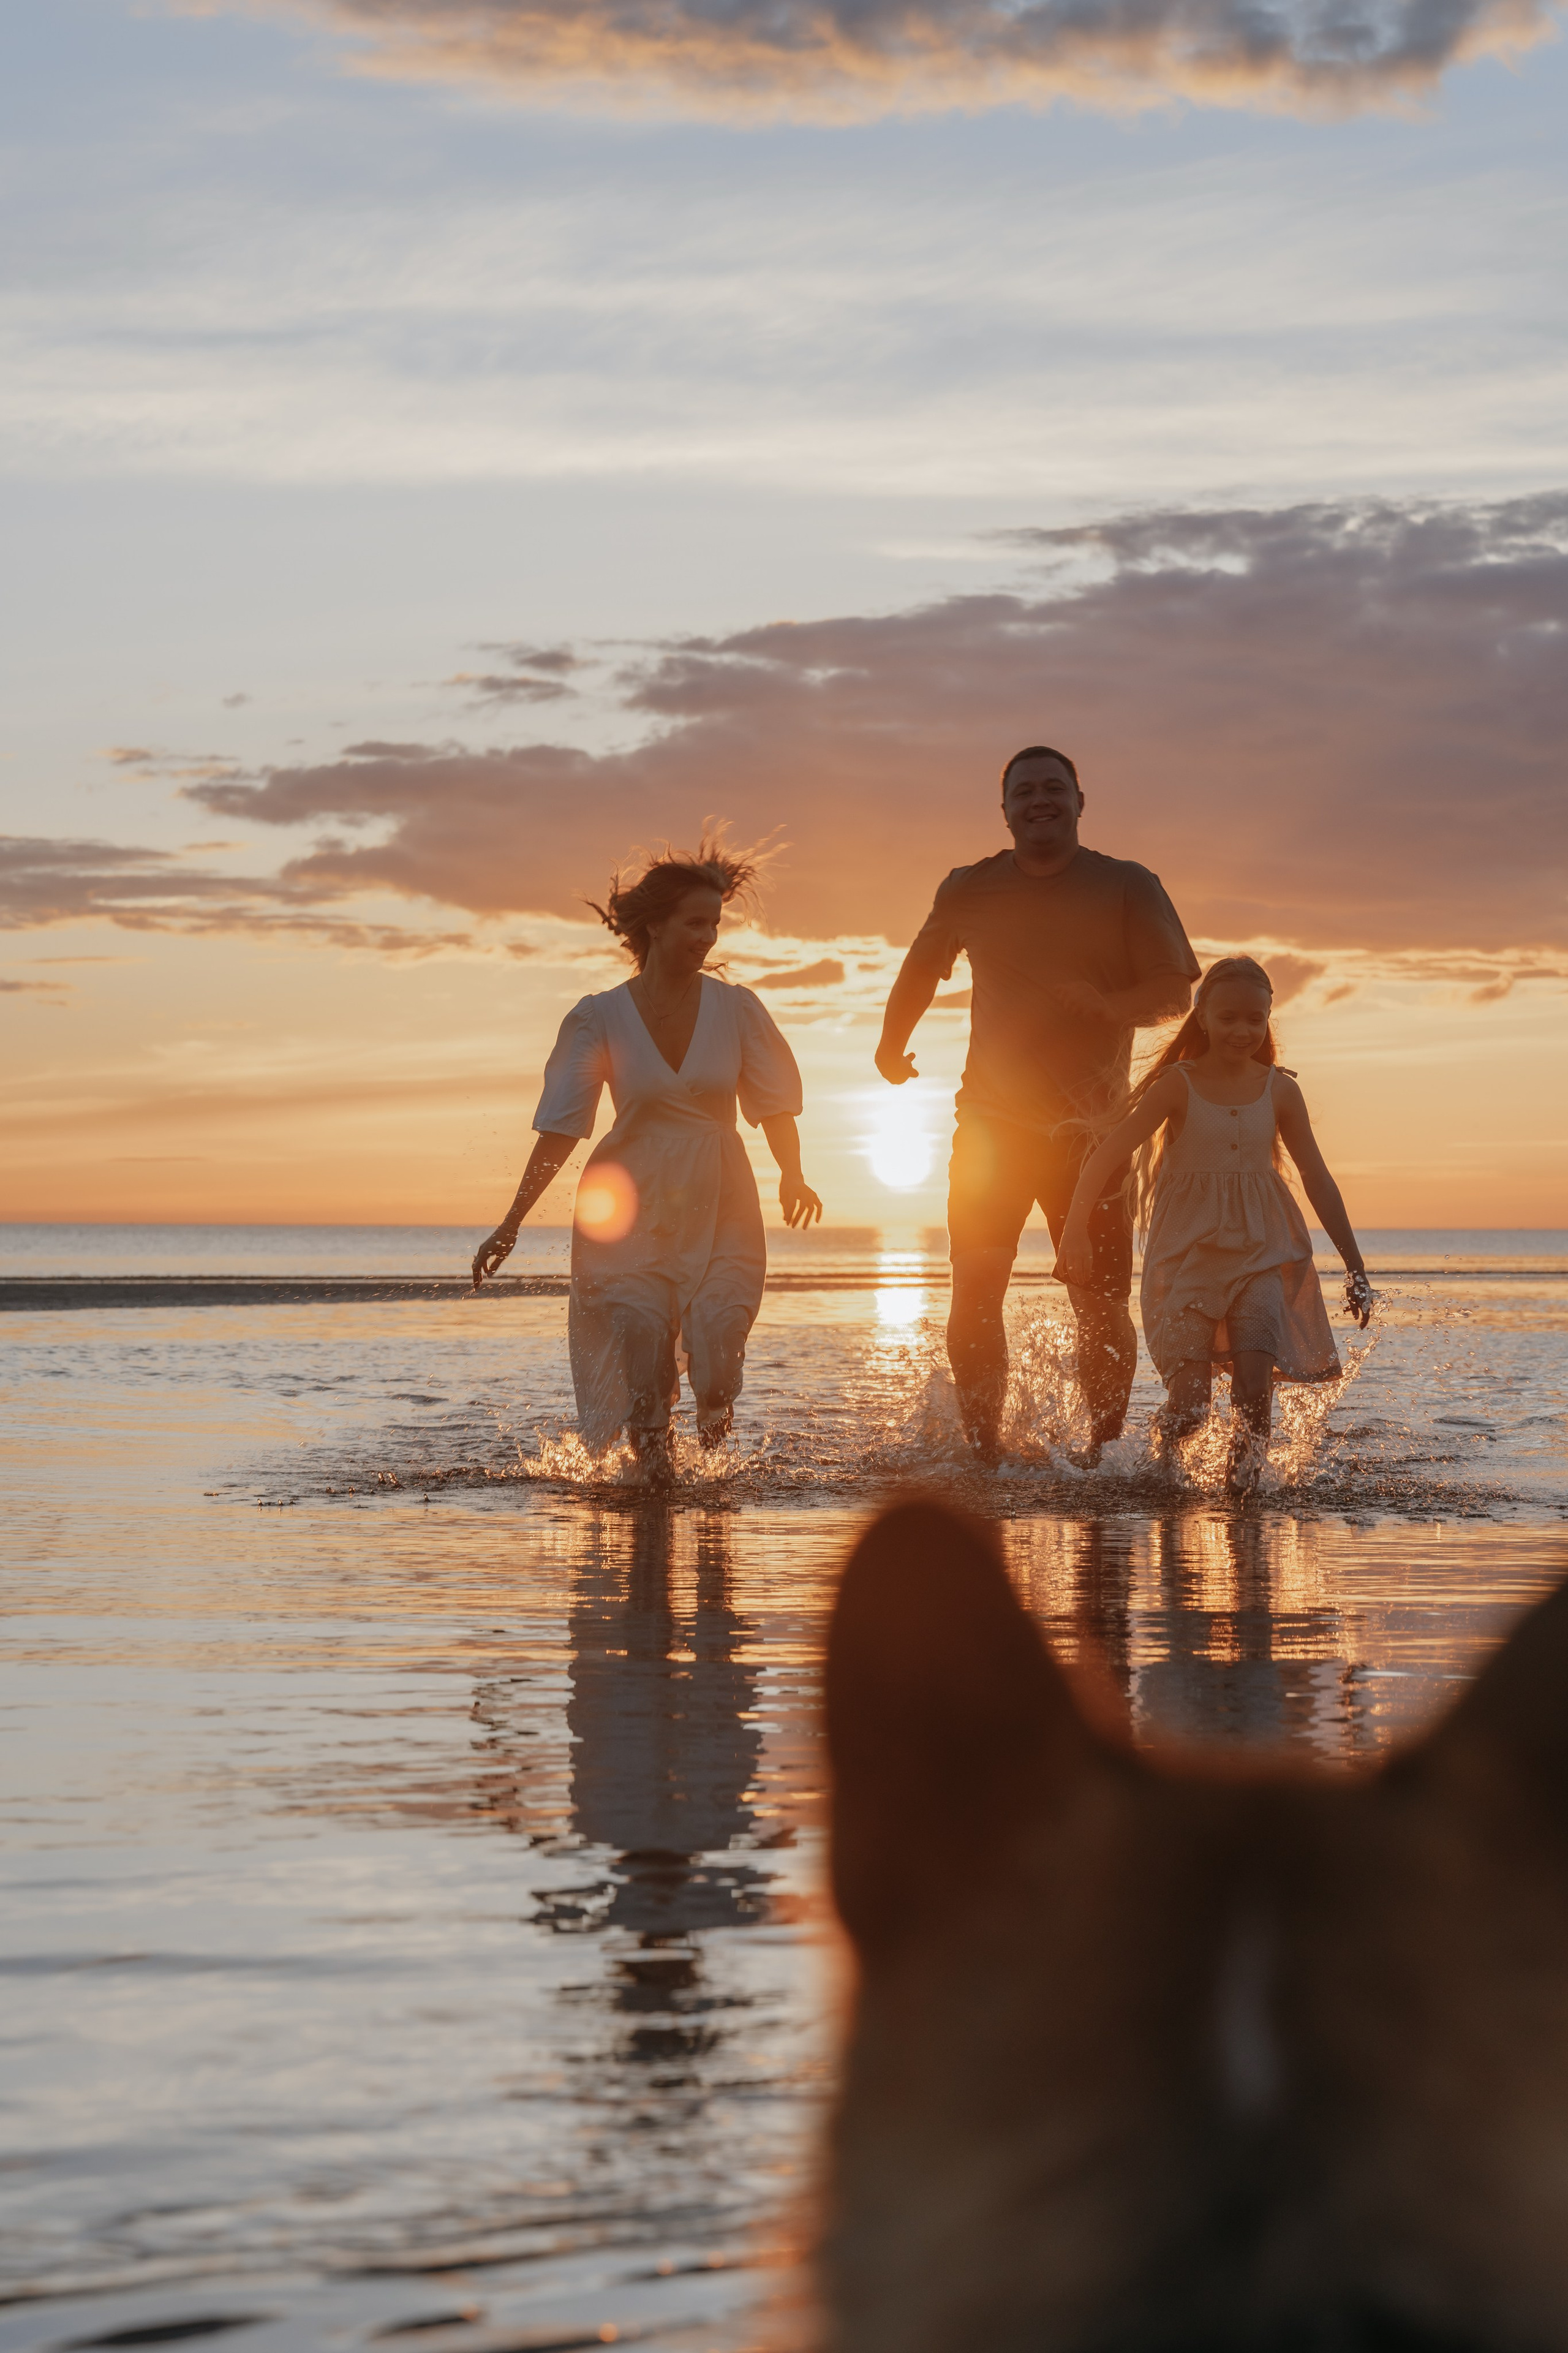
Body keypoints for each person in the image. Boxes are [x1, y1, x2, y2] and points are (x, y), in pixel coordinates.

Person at [876, 744, 1199, 1465]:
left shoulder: (1127, 886)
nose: (1039, 800)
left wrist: (1107, 1003)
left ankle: (1102, 1448)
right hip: (989, 1125)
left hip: (1093, 1135)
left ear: (1081, 802)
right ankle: (985, 1444)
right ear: (1005, 811)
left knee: (1099, 1300)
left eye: (1055, 788)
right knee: (976, 1286)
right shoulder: (967, 888)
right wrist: (889, 1043)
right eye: (1024, 792)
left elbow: (1175, 992)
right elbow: (921, 968)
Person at [472, 837, 823, 1479]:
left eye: (715, 923)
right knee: (645, 1364)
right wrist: (511, 1222)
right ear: (654, 925)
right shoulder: (599, 1017)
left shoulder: (737, 1009)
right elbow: (561, 1127)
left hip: (722, 1202)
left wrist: (793, 1174)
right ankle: (652, 1495)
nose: (709, 937)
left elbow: (774, 1103)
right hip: (628, 1206)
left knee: (717, 1357)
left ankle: (714, 1437)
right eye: (696, 922)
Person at [1057, 954, 1373, 1495]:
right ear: (1202, 1015)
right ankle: (1157, 1470)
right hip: (1186, 1260)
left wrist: (1355, 1266)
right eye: (1229, 1017)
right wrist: (1074, 1231)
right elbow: (1106, 1155)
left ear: (1268, 1017)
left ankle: (1242, 1499)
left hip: (1263, 1254)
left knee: (1254, 1392)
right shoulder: (1176, 1085)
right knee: (1191, 1409)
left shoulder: (1281, 1091)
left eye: (1256, 1018)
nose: (1243, 1030)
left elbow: (1318, 1179)